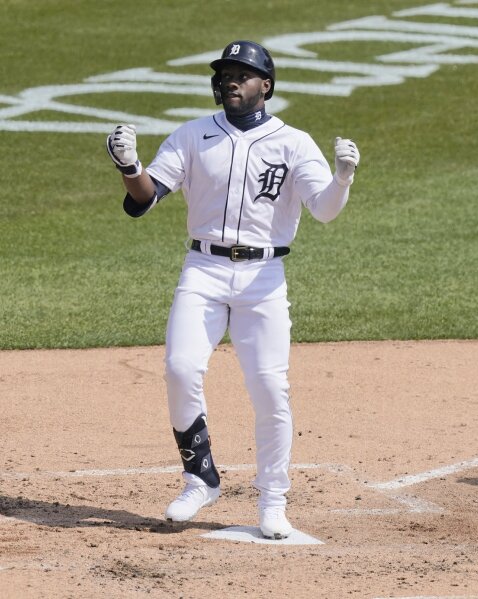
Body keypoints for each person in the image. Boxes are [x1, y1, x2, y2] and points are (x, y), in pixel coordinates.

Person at [106, 40, 360, 539]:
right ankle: (199, 476)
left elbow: (324, 210)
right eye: (225, 74)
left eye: (242, 75)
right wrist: (129, 167)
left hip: (264, 279)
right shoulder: (193, 135)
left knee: (269, 388)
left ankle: (273, 500)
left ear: (265, 85)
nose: (231, 81)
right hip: (202, 269)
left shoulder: (294, 142)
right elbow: (146, 198)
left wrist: (343, 179)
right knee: (180, 368)